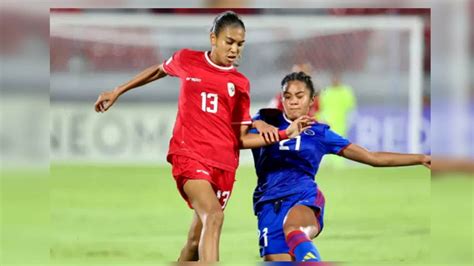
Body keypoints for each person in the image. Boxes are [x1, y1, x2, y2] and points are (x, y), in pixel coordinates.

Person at [94, 11, 313, 262]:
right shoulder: (187, 59)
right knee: (215, 216)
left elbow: (240, 138)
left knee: (194, 243)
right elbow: (157, 71)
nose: (234, 49)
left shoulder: (240, 83)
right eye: (229, 42)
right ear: (213, 38)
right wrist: (118, 91)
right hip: (189, 156)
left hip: (223, 168)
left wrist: (285, 133)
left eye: (240, 44)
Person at [249, 72, 431, 262]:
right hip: (268, 204)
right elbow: (238, 131)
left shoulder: (319, 133)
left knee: (294, 228)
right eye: (288, 96)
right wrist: (257, 122)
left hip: (302, 197)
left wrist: (420, 158)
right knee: (279, 262)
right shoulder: (266, 120)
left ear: (312, 100)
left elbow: (372, 157)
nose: (293, 101)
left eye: (300, 96)